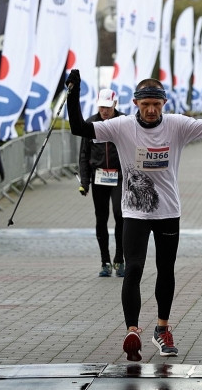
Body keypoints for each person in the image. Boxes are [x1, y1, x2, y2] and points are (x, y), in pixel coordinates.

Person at [66, 69, 202, 362]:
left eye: (156, 105)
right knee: (133, 269)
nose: (151, 110)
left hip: (168, 211)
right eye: (145, 104)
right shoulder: (121, 126)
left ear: (164, 105)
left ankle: (162, 329)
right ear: (136, 103)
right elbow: (78, 128)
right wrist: (73, 93)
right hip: (134, 212)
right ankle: (132, 330)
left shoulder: (176, 125)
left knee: (166, 269)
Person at [78, 88, 126, 278]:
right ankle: (105, 261)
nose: (104, 111)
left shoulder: (124, 122)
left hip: (119, 176)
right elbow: (84, 155)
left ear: (115, 104)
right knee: (101, 218)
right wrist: (84, 182)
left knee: (120, 214)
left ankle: (119, 259)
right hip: (99, 177)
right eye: (101, 107)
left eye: (108, 107)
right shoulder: (91, 123)